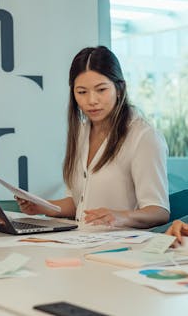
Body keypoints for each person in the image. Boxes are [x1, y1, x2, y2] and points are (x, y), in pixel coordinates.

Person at [16, 46, 170, 229]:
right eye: (82, 92)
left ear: (119, 89)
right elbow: (79, 202)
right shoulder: (80, 132)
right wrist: (44, 207)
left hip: (121, 247)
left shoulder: (144, 137)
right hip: (80, 241)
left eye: (101, 90)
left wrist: (121, 216)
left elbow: (158, 211)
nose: (91, 100)